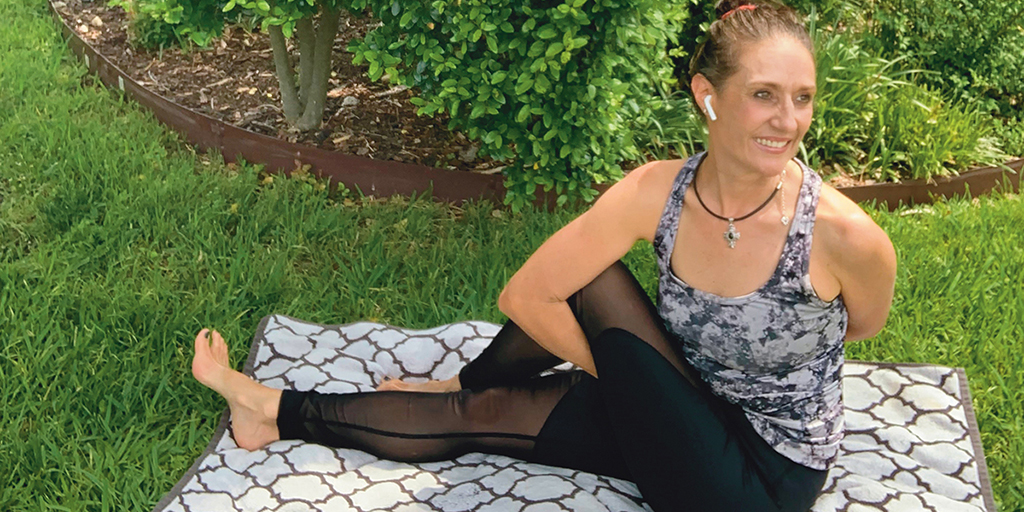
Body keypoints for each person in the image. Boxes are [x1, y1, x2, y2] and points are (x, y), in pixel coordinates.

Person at [191, 1, 897, 510]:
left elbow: (860, 325)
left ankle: (471, 380)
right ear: (708, 99)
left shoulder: (844, 236)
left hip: (759, 479)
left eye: (802, 98)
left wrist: (638, 380)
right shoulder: (658, 192)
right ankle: (270, 411)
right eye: (764, 96)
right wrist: (639, 382)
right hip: (678, 413)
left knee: (595, 289)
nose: (788, 121)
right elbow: (524, 297)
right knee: (484, 413)